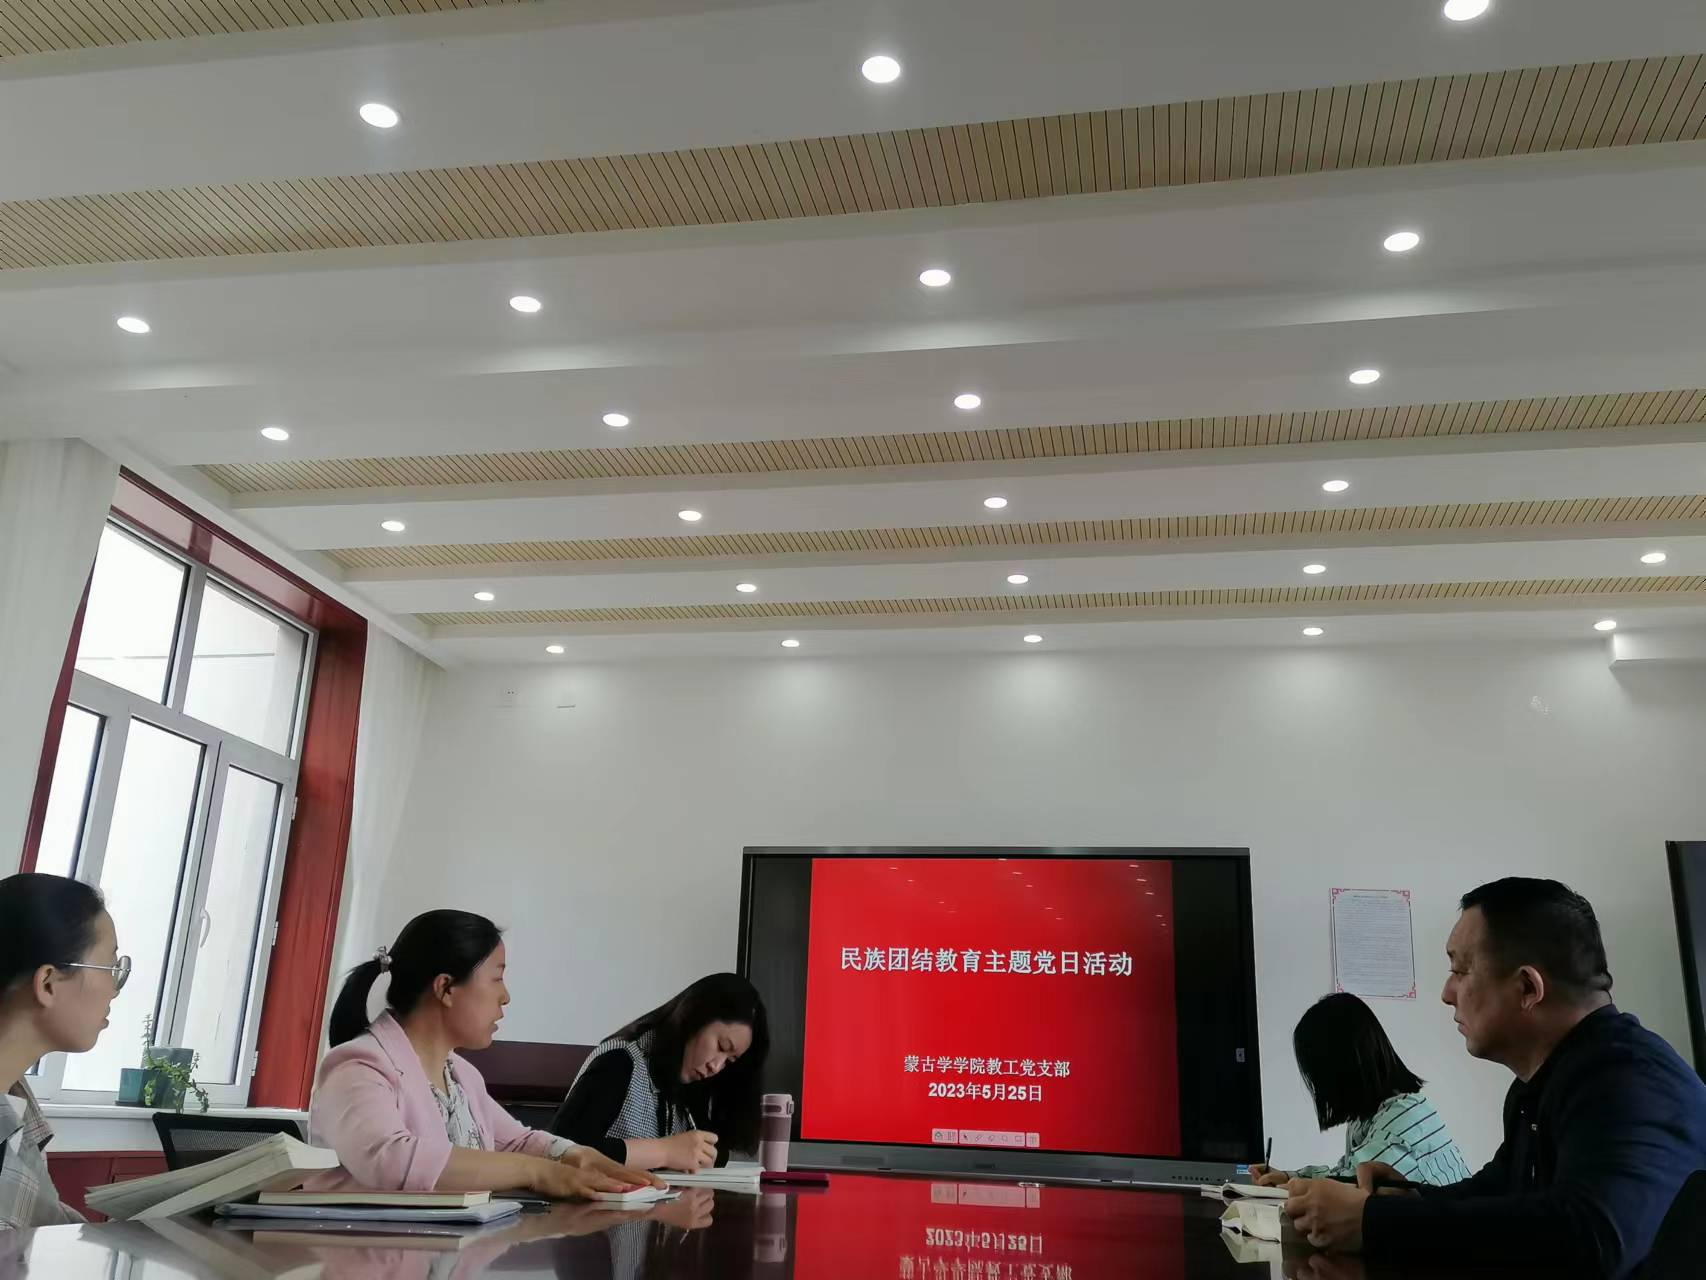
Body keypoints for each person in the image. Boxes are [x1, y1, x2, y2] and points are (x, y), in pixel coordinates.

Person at [1285, 877, 1706, 1280]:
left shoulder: (1630, 1081)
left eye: (1460, 970)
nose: (1446, 993)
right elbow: (1500, 1191)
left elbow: (1592, 1240)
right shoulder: (1540, 1086)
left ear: (1527, 988)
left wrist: (1373, 1222)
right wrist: (1408, 1198)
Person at [309, 909, 661, 1198]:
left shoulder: (460, 1075)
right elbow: (390, 1159)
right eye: (497, 978)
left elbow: (518, 1142)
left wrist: (576, 1155)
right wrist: (538, 1172)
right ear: (446, 988)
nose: (505, 996)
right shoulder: (359, 1067)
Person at [0, 873, 128, 1231]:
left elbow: (47, 1225)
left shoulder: (16, 1107)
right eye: (110, 968)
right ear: (48, 983)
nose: (114, 990)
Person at [549, 973, 769, 1172]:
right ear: (695, 1017)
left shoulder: (691, 1080)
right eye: (721, 1046)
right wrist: (665, 1152)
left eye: (729, 1060)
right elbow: (560, 1150)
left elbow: (710, 1151)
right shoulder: (619, 1061)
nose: (716, 1066)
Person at [1249, 993, 1469, 1187]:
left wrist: (1293, 1186)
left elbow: (1352, 1188)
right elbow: (1345, 1174)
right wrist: (1288, 1178)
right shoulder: (1374, 1115)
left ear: (1341, 1069)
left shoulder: (1401, 1121)